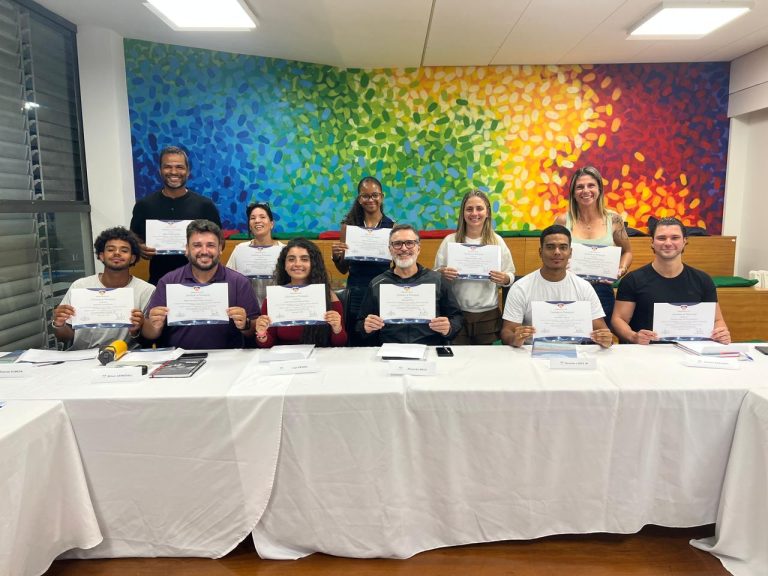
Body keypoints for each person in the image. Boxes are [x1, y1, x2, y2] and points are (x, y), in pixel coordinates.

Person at [612, 217, 731, 344]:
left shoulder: (703, 280)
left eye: (675, 238)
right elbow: (618, 320)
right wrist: (633, 337)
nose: (668, 243)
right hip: (647, 351)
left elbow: (717, 320)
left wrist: (721, 333)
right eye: (661, 238)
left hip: (691, 351)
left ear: (684, 241)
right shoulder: (632, 280)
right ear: (652, 242)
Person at [142, 220, 258, 349]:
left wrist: (245, 324)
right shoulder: (168, 281)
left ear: (220, 249)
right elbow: (150, 334)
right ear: (187, 249)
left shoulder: (239, 282)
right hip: (178, 356)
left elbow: (254, 331)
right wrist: (154, 326)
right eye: (197, 245)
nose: (204, 251)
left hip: (227, 357)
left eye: (210, 245)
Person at [500, 225, 613, 348]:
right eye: (550, 247)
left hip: (575, 352)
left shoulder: (584, 287)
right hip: (531, 351)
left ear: (570, 253)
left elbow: (601, 329)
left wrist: (605, 339)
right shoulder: (521, 287)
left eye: (563, 247)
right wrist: (514, 339)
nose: (557, 252)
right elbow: (507, 331)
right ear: (540, 252)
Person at [357, 224, 463, 345]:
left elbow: (457, 317)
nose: (404, 248)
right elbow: (360, 324)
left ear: (418, 248)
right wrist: (366, 327)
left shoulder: (438, 280)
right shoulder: (377, 283)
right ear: (390, 249)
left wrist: (449, 328)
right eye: (397, 244)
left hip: (429, 347)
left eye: (409, 243)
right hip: (389, 348)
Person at [130, 146, 221, 285]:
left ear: (188, 171)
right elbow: (133, 238)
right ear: (160, 170)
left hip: (200, 282)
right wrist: (139, 247)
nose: (173, 172)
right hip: (159, 281)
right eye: (168, 167)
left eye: (179, 167)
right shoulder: (144, 205)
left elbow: (220, 241)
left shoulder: (205, 205)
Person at [52, 227, 155, 350]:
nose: (117, 253)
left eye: (124, 250)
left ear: (132, 258)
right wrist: (59, 324)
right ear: (101, 256)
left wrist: (138, 328)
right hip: (82, 355)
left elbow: (150, 337)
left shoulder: (146, 290)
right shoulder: (80, 286)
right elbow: (65, 337)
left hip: (124, 356)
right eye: (110, 249)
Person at [554, 166, 632, 328]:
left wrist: (621, 270)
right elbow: (552, 254)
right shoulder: (562, 221)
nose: (586, 191)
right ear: (573, 193)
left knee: (601, 338)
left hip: (602, 291)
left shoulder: (614, 219)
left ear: (599, 189)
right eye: (580, 187)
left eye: (591, 185)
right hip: (569, 290)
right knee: (573, 336)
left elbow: (627, 252)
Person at [434, 190, 516, 344]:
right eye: (469, 209)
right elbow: (435, 274)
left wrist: (504, 278)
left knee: (485, 358)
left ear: (487, 212)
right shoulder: (450, 240)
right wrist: (442, 273)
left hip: (488, 316)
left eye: (479, 208)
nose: (474, 213)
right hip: (456, 313)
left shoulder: (497, 241)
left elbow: (511, 275)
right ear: (463, 213)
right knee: (458, 357)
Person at [331, 176, 395, 345]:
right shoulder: (349, 227)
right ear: (359, 199)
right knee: (356, 340)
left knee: (381, 337)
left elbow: (396, 267)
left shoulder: (392, 227)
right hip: (356, 292)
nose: (370, 199)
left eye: (375, 195)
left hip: (382, 291)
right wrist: (336, 257)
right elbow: (343, 269)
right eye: (365, 196)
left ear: (382, 197)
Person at [254, 238, 347, 347]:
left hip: (319, 355)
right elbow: (268, 344)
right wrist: (262, 334)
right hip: (284, 355)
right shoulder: (275, 297)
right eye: (291, 259)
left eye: (304, 259)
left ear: (313, 264)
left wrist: (337, 329)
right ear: (284, 265)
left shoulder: (328, 296)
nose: (297, 264)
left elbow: (341, 344)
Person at [226, 201, 285, 308]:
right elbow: (228, 280)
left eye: (262, 217)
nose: (257, 221)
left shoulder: (283, 250)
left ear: (271, 224)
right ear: (249, 225)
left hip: (277, 308)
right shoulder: (240, 249)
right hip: (246, 309)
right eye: (252, 218)